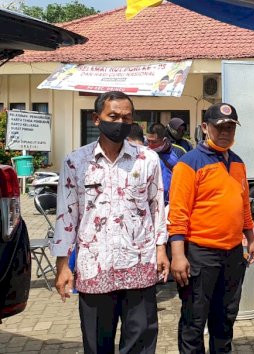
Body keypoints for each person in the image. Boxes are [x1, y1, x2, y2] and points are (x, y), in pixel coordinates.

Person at [51, 91, 169, 354]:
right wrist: (62, 265)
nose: (120, 122)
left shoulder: (147, 159)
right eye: (113, 116)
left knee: (140, 344)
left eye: (127, 117)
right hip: (95, 268)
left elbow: (156, 207)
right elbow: (66, 217)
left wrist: (161, 248)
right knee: (96, 345)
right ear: (96, 119)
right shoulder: (76, 162)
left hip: (139, 266)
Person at [168, 102, 254, 353]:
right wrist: (177, 255)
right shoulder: (189, 163)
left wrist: (250, 238)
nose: (226, 132)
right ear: (205, 128)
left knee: (225, 318)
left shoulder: (238, 163)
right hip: (200, 254)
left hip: (231, 254)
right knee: (194, 322)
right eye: (220, 127)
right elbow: (178, 214)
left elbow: (244, 205)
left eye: (231, 127)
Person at [146, 122, 186, 204]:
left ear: (164, 140)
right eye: (148, 141)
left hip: (172, 202)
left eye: (153, 142)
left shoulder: (179, 152)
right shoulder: (145, 151)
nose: (149, 145)